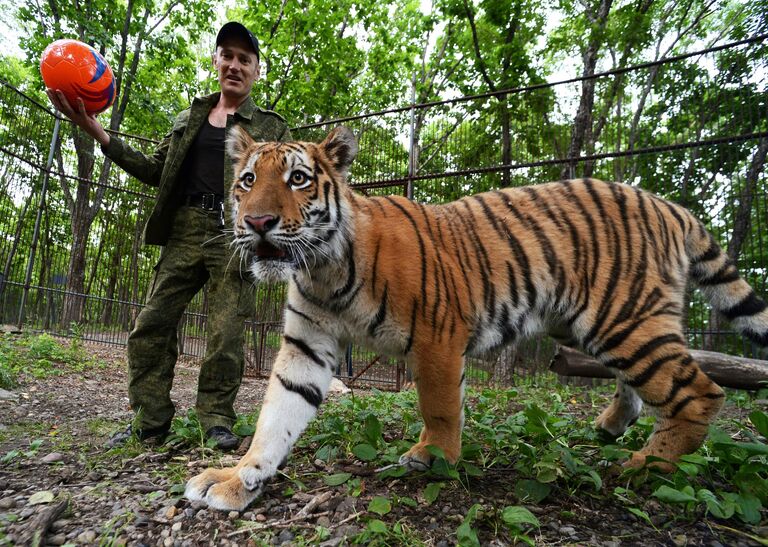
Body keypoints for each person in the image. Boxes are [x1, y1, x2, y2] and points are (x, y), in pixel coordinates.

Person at [47, 22, 292, 449]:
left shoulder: (271, 127)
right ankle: (149, 420)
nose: (234, 65)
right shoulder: (189, 119)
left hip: (233, 234)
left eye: (244, 60)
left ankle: (216, 421)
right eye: (227, 56)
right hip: (184, 230)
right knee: (151, 323)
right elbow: (154, 170)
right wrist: (97, 132)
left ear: (256, 71)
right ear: (216, 61)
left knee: (226, 333)